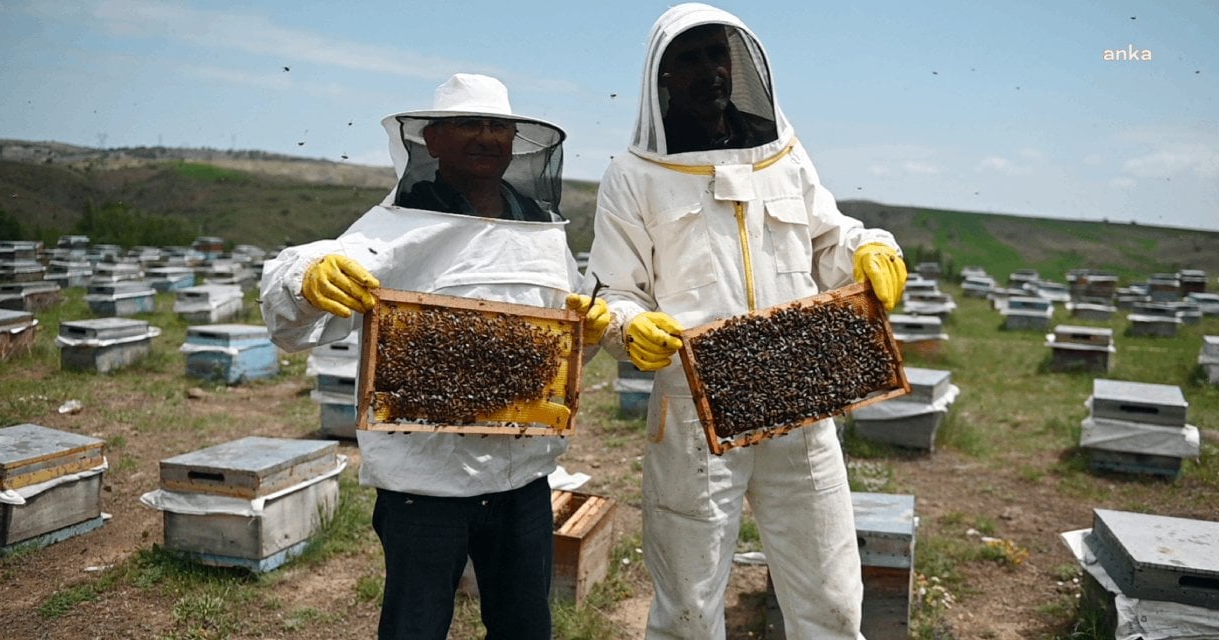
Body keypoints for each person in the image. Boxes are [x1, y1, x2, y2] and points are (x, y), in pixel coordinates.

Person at [582, 4, 907, 639]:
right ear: (663, 78)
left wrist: (869, 247)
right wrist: (629, 327)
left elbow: (828, 240)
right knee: (687, 604)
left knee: (833, 598)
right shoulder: (633, 177)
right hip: (694, 409)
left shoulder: (784, 156)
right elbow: (617, 290)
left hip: (801, 399)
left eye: (716, 54)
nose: (708, 70)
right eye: (689, 59)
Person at [259, 73, 610, 640]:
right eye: (468, 124)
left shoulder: (543, 232)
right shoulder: (395, 226)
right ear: (433, 140)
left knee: (525, 626)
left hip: (521, 477)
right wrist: (305, 277)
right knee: (415, 628)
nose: (486, 137)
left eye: (497, 126)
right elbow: (296, 293)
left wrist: (590, 329)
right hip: (424, 485)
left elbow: (562, 344)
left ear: (516, 141)